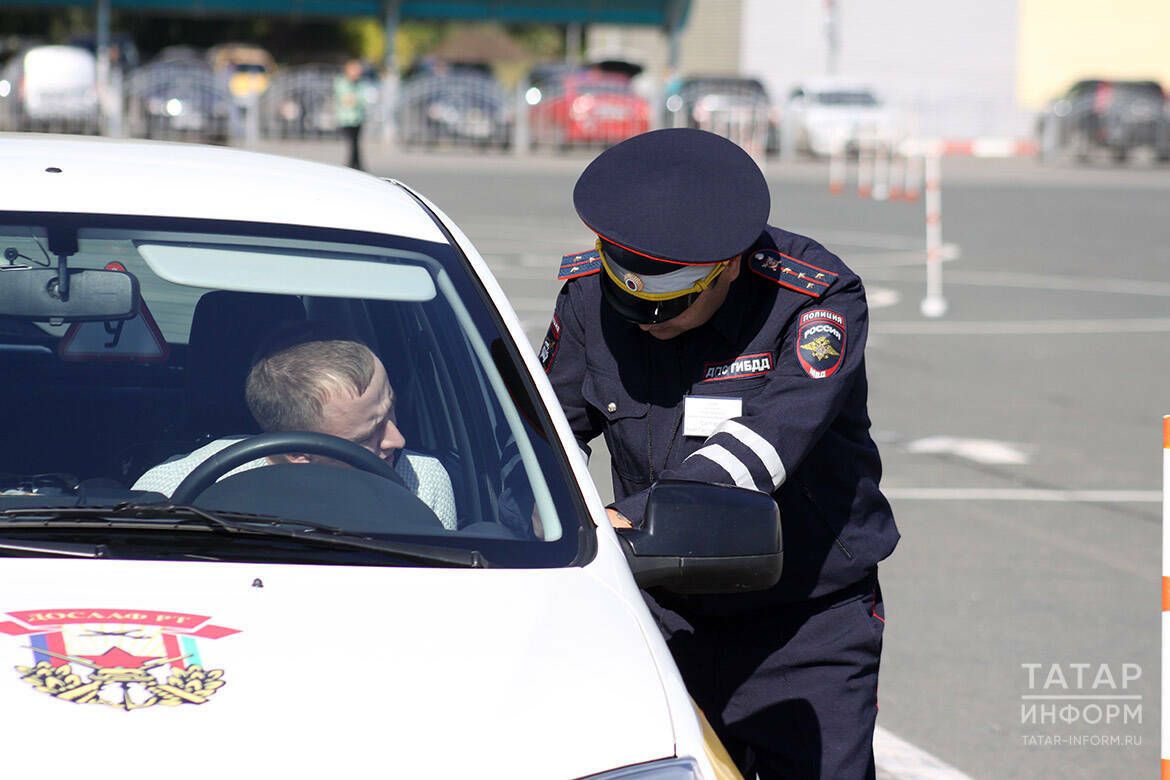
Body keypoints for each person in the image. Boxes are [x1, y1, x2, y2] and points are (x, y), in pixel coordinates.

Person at [540, 128, 899, 779]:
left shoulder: (814, 300)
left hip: (805, 622)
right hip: (658, 609)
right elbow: (544, 436)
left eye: (669, 304)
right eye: (631, 302)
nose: (646, 320)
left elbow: (764, 446)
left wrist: (626, 522)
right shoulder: (591, 295)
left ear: (727, 266)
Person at [133, 336, 457, 530]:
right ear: (300, 452)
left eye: (392, 410)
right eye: (366, 438)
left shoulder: (421, 481)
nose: (398, 440)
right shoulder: (171, 487)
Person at [334, 59, 367, 170]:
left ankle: (355, 166)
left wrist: (353, 99)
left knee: (355, 143)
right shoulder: (341, 82)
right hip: (346, 118)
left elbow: (362, 99)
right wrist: (353, 99)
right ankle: (353, 166)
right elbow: (345, 99)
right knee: (352, 144)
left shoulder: (360, 83)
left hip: (357, 118)